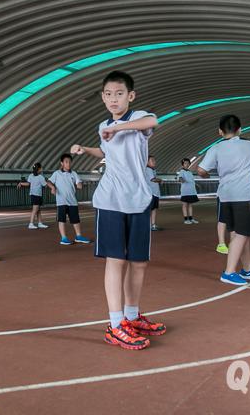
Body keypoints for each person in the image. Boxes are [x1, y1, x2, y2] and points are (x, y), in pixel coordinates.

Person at [70, 70, 165, 351]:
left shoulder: (139, 118)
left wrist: (118, 127)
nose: (114, 99)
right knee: (117, 260)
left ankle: (132, 317)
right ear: (102, 97)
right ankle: (115, 325)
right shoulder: (104, 125)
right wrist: (86, 149)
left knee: (139, 262)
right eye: (108, 94)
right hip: (111, 199)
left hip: (138, 199)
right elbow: (106, 150)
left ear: (131, 96)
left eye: (119, 93)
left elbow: (153, 121)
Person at [197, 114, 250, 286]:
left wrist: (210, 172)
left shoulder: (215, 148)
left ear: (219, 131)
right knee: (243, 233)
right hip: (243, 196)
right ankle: (229, 272)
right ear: (240, 129)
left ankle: (248, 268)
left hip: (225, 196)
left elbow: (201, 170)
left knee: (236, 232)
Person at [47, 153, 91, 245]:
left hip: (72, 202)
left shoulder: (74, 173)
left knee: (76, 220)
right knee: (62, 220)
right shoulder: (57, 173)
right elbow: (49, 181)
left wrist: (79, 184)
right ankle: (64, 238)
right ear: (62, 163)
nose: (68, 164)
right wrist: (52, 187)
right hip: (61, 202)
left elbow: (79, 183)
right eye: (66, 162)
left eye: (70, 162)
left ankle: (78, 236)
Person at [18, 163, 49, 229]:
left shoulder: (31, 176)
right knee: (35, 210)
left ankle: (40, 223)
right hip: (37, 195)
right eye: (41, 168)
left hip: (33, 195)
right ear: (39, 169)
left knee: (38, 210)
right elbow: (45, 185)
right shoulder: (41, 177)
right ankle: (31, 223)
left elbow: (28, 184)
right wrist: (48, 181)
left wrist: (21, 183)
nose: (42, 169)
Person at [177, 158, 199, 224]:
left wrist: (196, 185)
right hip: (185, 192)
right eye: (185, 163)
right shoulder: (182, 171)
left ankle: (191, 218)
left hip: (191, 191)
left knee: (190, 205)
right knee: (185, 205)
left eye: (188, 163)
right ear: (183, 164)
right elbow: (180, 178)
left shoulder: (190, 172)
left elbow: (191, 181)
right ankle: (186, 219)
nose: (187, 164)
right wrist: (181, 180)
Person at [145, 155, 162, 231]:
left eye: (154, 160)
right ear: (147, 162)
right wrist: (160, 180)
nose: (154, 162)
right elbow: (153, 179)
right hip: (150, 193)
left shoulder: (152, 170)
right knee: (149, 210)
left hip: (155, 193)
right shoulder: (148, 169)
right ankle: (148, 225)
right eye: (152, 160)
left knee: (154, 209)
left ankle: (153, 224)